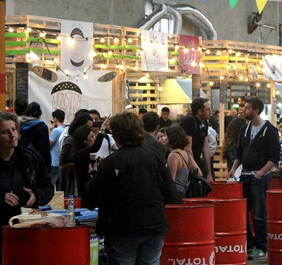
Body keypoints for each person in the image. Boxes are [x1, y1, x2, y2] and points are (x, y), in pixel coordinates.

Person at [84, 112, 180, 264]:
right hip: (153, 225)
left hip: (122, 228)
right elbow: (172, 195)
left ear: (116, 135)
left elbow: (91, 198)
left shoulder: (112, 162)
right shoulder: (156, 158)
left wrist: (91, 176)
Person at [227, 97, 280, 260]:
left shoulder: (269, 130)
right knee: (243, 212)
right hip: (245, 176)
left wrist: (261, 173)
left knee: (259, 213)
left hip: (259, 177)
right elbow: (239, 152)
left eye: (247, 108)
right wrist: (233, 168)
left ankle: (261, 246)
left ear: (256, 110)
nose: (244, 110)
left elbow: (274, 157)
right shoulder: (245, 128)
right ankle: (248, 244)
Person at [0, 111, 53, 227]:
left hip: (27, 224)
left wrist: (35, 195)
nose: (12, 135)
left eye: (13, 129)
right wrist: (2, 197)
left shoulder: (31, 158)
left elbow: (48, 187)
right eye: (5, 132)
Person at [180, 98, 214, 183]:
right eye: (208, 110)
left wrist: (209, 173)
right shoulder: (189, 121)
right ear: (199, 112)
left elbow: (205, 148)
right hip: (185, 162)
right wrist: (195, 169)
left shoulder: (204, 123)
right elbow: (188, 148)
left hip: (196, 160)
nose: (210, 112)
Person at [59, 112, 93, 195]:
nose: (89, 130)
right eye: (87, 127)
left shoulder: (83, 141)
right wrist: (81, 164)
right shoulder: (70, 141)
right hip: (71, 185)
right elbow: (62, 166)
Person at [165, 126, 200, 198]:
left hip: (175, 192)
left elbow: (171, 180)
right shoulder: (187, 154)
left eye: (166, 136)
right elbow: (199, 173)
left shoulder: (173, 156)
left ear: (172, 138)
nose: (163, 138)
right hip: (184, 191)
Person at [18, 102, 51, 170]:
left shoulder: (19, 124)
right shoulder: (42, 127)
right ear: (39, 114)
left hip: (21, 162)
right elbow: (45, 149)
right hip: (37, 164)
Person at [71, 125, 100, 198]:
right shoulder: (79, 154)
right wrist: (102, 131)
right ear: (84, 140)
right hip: (84, 192)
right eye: (92, 137)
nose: (94, 139)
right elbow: (95, 147)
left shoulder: (88, 154)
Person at [49, 109, 66, 187]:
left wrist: (50, 131)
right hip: (61, 160)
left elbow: (49, 145)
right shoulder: (65, 129)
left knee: (51, 184)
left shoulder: (56, 130)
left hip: (54, 161)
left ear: (55, 119)